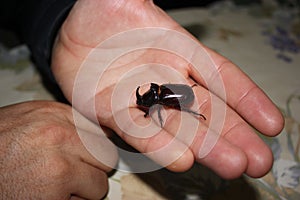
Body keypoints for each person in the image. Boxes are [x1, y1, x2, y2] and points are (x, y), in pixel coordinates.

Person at [0, 0, 284, 199]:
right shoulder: (158, 97)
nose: (147, 99)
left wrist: (62, 11)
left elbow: (161, 101)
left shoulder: (161, 98)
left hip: (182, 93)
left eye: (147, 99)